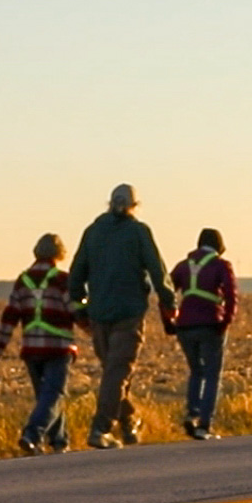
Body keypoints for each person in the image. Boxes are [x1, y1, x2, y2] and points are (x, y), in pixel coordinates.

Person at [67, 184, 175, 448]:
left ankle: (129, 422)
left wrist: (80, 311)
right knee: (117, 374)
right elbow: (157, 271)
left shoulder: (92, 232)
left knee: (114, 373)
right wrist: (169, 301)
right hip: (129, 313)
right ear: (134, 206)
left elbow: (75, 275)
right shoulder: (139, 232)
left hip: (99, 313)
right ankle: (101, 427)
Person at [0, 233, 80, 454]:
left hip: (31, 349)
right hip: (58, 348)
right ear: (60, 254)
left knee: (46, 396)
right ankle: (32, 434)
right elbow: (77, 311)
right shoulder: (62, 280)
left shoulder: (24, 280)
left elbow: (10, 316)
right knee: (54, 395)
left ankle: (59, 442)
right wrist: (98, 334)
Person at [169, 228, 238, 440]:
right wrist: (225, 322)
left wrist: (169, 322)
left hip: (185, 326)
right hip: (210, 324)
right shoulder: (221, 265)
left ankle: (192, 413)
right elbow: (231, 295)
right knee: (211, 375)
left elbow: (166, 292)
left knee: (196, 371)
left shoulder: (183, 266)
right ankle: (204, 426)